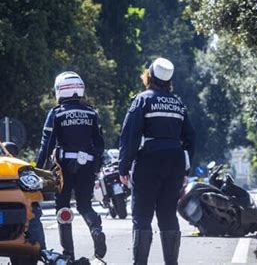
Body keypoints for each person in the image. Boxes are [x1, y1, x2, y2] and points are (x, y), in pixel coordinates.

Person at [118, 57, 195, 265]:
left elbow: (130, 135)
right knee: (168, 214)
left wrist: (123, 166)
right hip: (175, 162)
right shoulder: (178, 103)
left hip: (149, 160)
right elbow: (190, 138)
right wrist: (186, 169)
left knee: (142, 216)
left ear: (149, 76)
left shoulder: (142, 99)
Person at [35, 71, 106, 260]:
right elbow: (100, 145)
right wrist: (96, 166)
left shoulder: (56, 113)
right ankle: (96, 229)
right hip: (87, 166)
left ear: (60, 90)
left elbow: (46, 144)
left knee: (63, 207)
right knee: (85, 204)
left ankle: (69, 254)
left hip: (64, 168)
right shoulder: (92, 113)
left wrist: (37, 170)